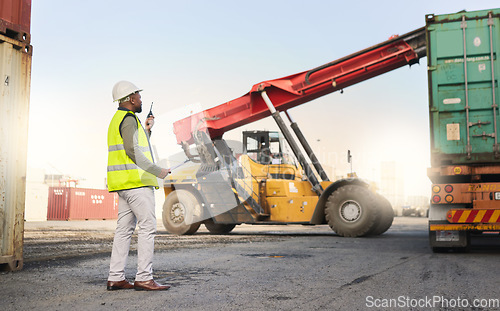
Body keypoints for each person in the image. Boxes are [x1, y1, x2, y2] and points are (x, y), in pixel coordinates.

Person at [106, 80, 170, 291]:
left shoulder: (120, 119)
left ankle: (116, 277)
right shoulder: (129, 119)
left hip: (124, 184)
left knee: (124, 230)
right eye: (138, 96)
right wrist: (158, 171)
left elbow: (134, 145)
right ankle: (144, 277)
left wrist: (148, 131)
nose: (141, 99)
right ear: (131, 99)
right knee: (148, 227)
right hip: (136, 184)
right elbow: (133, 152)